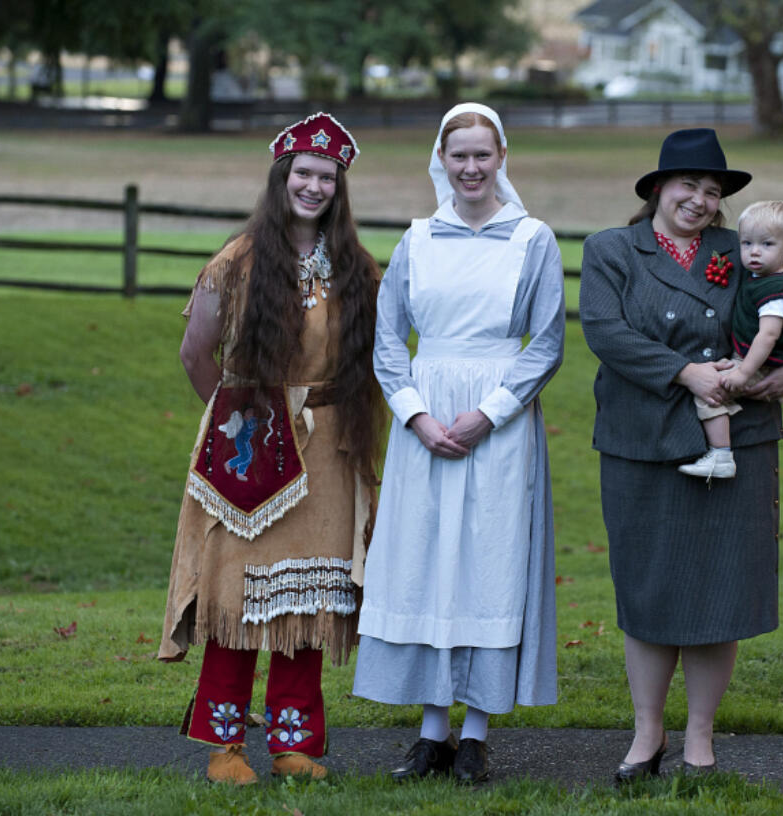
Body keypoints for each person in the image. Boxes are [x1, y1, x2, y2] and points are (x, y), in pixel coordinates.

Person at [578, 128, 783, 781]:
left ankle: (701, 742)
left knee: (721, 595)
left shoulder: (742, 249)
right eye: (687, 184)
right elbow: (606, 332)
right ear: (658, 187)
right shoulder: (611, 249)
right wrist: (686, 373)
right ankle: (646, 736)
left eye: (712, 190)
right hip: (643, 440)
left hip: (737, 443)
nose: (698, 198)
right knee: (649, 592)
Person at [158, 112, 383, 785]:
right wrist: (240, 424)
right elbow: (196, 352)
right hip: (252, 444)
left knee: (308, 602)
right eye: (303, 173)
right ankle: (224, 746)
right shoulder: (239, 259)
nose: (313, 186)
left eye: (326, 177)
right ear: (282, 177)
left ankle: (293, 743)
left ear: (340, 188)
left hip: (331, 445)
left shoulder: (354, 268)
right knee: (235, 595)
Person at [351, 103, 565, 784]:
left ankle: (475, 733)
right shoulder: (418, 238)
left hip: (496, 426)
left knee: (487, 563)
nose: (470, 167)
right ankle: (430, 730)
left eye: (482, 154)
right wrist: (415, 415)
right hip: (427, 422)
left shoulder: (532, 240)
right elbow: (388, 341)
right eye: (458, 155)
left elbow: (547, 343)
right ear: (440, 160)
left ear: (502, 156)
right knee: (426, 562)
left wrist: (491, 412)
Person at [677, 200, 783, 479]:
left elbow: (768, 335)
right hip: (759, 361)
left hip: (757, 362)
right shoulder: (779, 276)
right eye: (746, 243)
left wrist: (743, 372)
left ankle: (721, 456)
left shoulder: (772, 295)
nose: (754, 252)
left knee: (710, 392)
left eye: (766, 245)